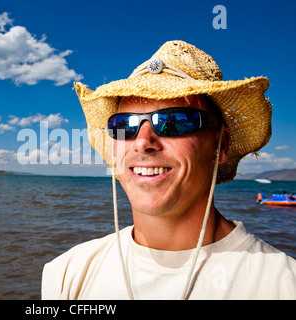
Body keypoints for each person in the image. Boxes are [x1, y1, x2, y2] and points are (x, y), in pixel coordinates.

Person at [41, 40, 296, 299]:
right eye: (125, 125)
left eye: (174, 122)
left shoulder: (283, 285)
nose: (142, 142)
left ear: (221, 146)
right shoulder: (66, 274)